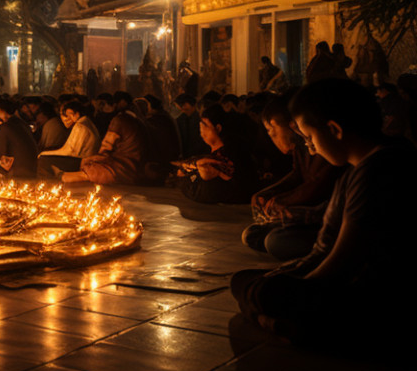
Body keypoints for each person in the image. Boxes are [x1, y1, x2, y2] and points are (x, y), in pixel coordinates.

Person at [231, 79, 416, 351]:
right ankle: (277, 320)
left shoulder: (378, 169)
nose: (311, 148)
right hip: (344, 280)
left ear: (334, 130)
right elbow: (322, 249)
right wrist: (285, 273)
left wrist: (299, 287)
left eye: (309, 137)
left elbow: (342, 260)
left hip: (374, 293)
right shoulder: (355, 170)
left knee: (262, 291)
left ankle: (296, 325)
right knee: (245, 281)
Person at [242, 96, 342, 260]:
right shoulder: (303, 147)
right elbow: (298, 175)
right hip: (314, 220)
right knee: (253, 234)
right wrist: (273, 196)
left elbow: (320, 186)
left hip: (327, 226)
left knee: (275, 241)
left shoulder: (334, 156)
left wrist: (287, 204)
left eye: (308, 136)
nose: (309, 145)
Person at [177, 105, 260, 203]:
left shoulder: (227, 156)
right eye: (201, 125)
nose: (201, 130)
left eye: (205, 125)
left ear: (218, 128)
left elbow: (208, 192)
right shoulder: (215, 152)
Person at [63, 94, 150, 186]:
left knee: (86, 169)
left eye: (102, 104)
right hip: (137, 168)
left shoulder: (119, 120)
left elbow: (106, 147)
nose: (101, 107)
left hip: (124, 169)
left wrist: (95, 159)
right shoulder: (139, 122)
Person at [38, 99, 100, 178]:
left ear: (76, 114)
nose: (66, 119)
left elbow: (70, 151)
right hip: (82, 160)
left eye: (69, 115)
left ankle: (50, 181)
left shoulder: (80, 126)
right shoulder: (85, 122)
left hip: (83, 161)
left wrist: (45, 154)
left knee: (43, 160)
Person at [0, 99, 37, 179]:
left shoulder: (6, 127)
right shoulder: (22, 123)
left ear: (0, 110)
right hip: (32, 168)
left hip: (17, 171)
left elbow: (0, 153)